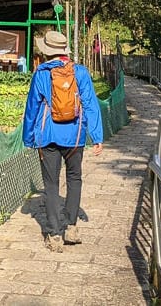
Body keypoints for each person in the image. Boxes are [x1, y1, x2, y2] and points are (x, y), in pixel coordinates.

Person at [21, 29, 104, 251]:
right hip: (75, 136)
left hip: (47, 137)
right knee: (75, 180)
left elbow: (32, 108)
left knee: (51, 185)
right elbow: (91, 105)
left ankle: (55, 236)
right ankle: (72, 228)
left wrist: (29, 137)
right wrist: (97, 137)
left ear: (47, 51)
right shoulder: (81, 73)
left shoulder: (41, 74)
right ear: (65, 50)